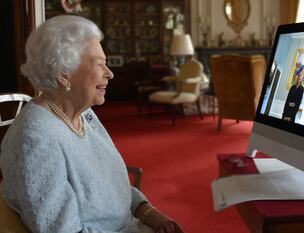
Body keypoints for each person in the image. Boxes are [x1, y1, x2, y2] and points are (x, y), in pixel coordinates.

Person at [0, 15, 184, 233]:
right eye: (99, 65)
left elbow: (112, 185)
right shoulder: (36, 139)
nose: (110, 73)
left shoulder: (84, 114)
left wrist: (147, 212)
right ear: (63, 74)